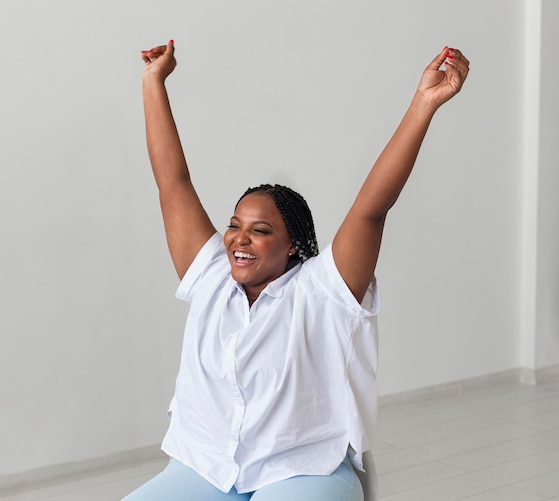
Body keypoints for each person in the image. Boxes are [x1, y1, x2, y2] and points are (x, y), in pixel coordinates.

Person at [124, 40, 469, 501]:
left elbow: (372, 209)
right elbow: (172, 181)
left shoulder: (323, 290)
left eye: (260, 230)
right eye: (234, 226)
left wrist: (424, 104)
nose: (238, 239)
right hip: (207, 467)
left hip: (303, 470)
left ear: (293, 247)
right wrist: (153, 83)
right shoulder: (211, 277)